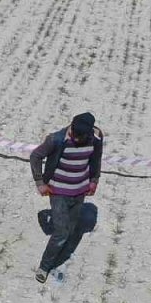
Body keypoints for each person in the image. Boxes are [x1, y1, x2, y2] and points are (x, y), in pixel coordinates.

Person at [29, 112, 103, 282]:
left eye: (81, 136)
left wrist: (94, 180)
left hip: (80, 191)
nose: (76, 139)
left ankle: (61, 251)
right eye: (75, 135)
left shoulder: (96, 139)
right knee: (61, 233)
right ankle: (45, 267)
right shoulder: (56, 139)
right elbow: (35, 156)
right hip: (58, 192)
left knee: (71, 228)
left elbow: (96, 159)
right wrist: (40, 182)